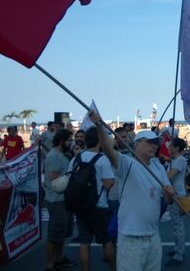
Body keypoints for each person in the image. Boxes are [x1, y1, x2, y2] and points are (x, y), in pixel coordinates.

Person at [91, 112, 175, 271]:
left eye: (156, 142)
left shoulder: (158, 167)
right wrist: (100, 127)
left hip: (153, 237)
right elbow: (108, 150)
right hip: (131, 239)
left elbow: (168, 200)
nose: (154, 145)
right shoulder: (127, 164)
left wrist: (170, 195)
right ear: (136, 145)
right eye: (149, 142)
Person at [69, 127, 115, 271]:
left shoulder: (77, 158)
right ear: (99, 141)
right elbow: (108, 183)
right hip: (99, 207)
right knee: (106, 241)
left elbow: (69, 177)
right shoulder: (102, 159)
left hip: (80, 206)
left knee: (84, 242)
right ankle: (114, 268)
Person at [44, 129, 78, 271]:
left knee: (61, 233)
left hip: (63, 200)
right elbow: (53, 178)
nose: (72, 143)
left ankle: (59, 258)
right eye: (69, 140)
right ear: (61, 141)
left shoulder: (62, 154)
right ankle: (50, 264)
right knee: (54, 233)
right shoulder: (54, 156)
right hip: (56, 200)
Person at [165, 137, 188, 267]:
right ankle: (178, 248)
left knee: (178, 225)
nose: (168, 148)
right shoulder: (174, 160)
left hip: (177, 195)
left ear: (177, 148)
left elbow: (170, 176)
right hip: (176, 193)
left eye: (171, 146)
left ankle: (179, 254)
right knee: (176, 224)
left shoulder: (179, 160)